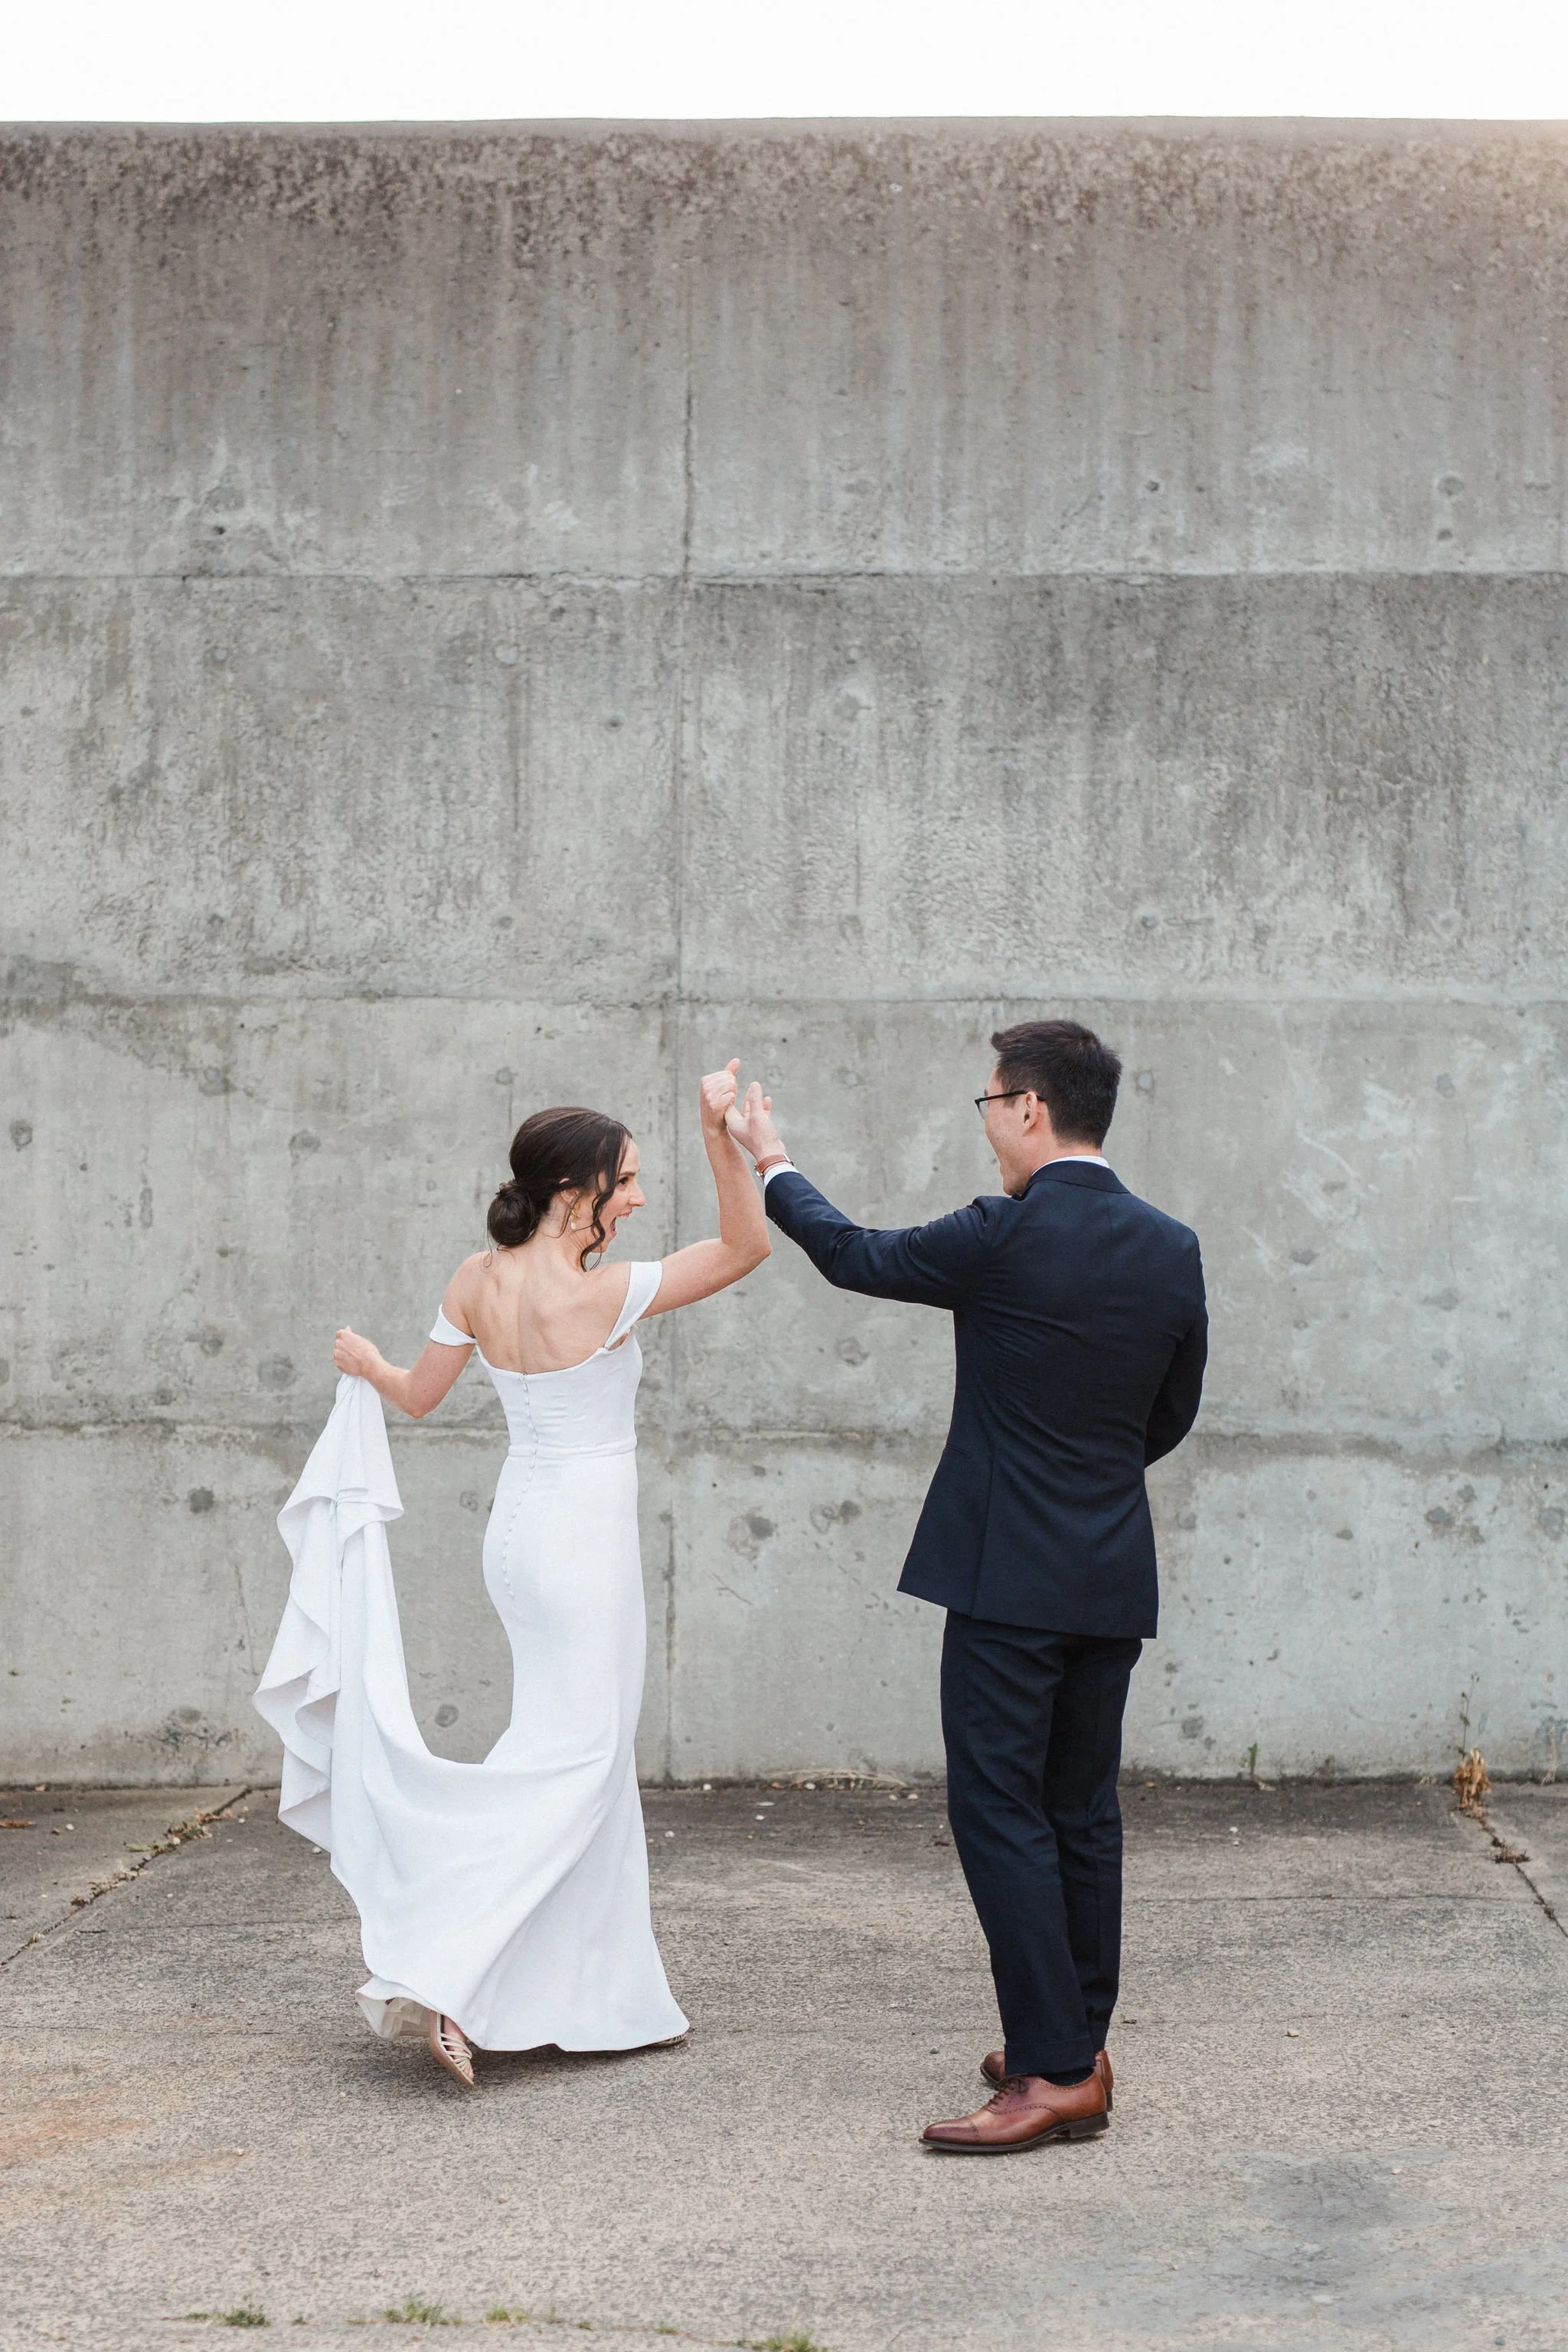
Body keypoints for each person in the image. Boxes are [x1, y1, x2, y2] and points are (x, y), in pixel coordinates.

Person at [727, 1020, 1206, 2153]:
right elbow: (1172, 1411)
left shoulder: (1004, 1233)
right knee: (1081, 1811)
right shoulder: (1171, 1244)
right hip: (1109, 1564)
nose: (987, 1123)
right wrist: (1085, 1482)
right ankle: (1074, 2044)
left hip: (1007, 1576)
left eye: (988, 1104)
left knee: (998, 1810)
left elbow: (853, 1254)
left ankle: (1048, 2072)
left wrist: (769, 1155)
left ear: (1030, 1110)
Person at [254, 1062, 770, 2087]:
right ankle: (449, 1970)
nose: (634, 1197)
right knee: (577, 1769)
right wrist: (725, 1137)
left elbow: (418, 1398)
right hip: (583, 1549)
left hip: (517, 1542)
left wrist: (366, 1364)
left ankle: (611, 1999)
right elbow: (749, 1245)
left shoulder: (474, 1279)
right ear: (574, 1190)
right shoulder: (605, 1293)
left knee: (573, 1757)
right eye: (623, 1182)